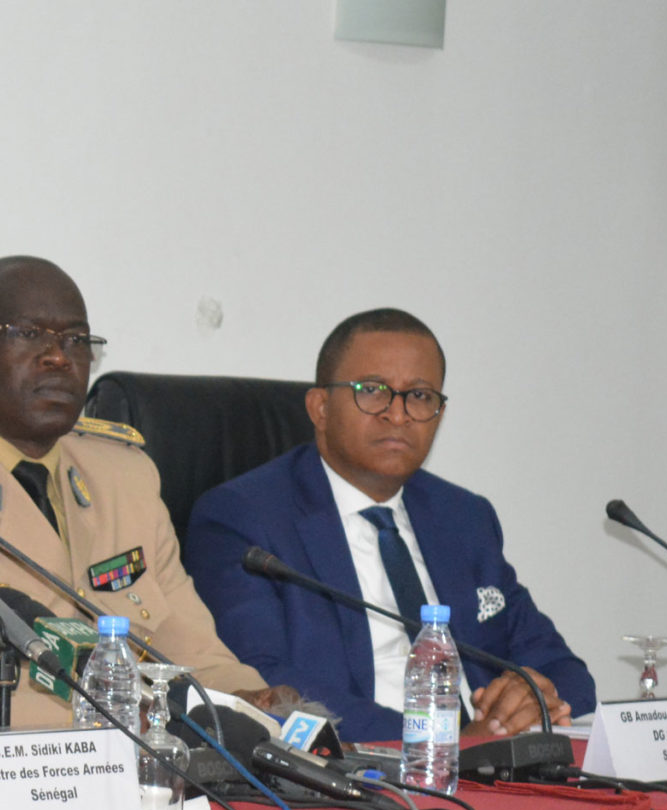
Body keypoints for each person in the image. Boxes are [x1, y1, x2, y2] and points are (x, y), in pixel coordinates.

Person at [0, 255, 281, 728]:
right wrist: (129, 720)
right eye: (27, 334)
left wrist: (251, 703)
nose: (60, 357)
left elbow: (185, 645)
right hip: (6, 774)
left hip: (146, 758)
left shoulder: (124, 473)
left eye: (76, 340)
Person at [183, 308, 593, 743]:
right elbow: (266, 683)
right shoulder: (243, 518)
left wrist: (534, 696)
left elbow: (566, 672)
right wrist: (439, 743)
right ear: (319, 408)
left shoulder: (464, 517)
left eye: (419, 396)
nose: (398, 416)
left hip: (483, 768)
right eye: (373, 391)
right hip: (361, 771)